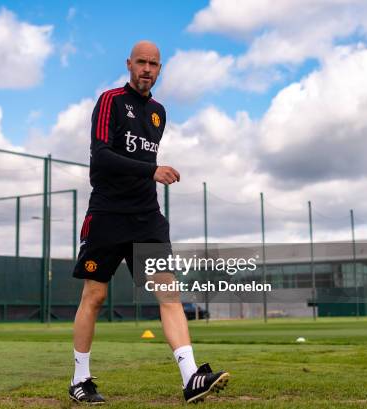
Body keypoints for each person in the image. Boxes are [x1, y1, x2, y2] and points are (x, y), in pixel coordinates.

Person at [68, 40, 229, 404]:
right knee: (95, 295)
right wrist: (151, 170)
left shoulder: (159, 112)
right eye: (141, 62)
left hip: (146, 218)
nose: (147, 69)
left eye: (153, 64)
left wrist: (149, 174)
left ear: (160, 69)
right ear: (129, 64)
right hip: (108, 214)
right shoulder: (110, 101)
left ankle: (191, 378)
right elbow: (102, 156)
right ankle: (80, 380)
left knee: (168, 293)